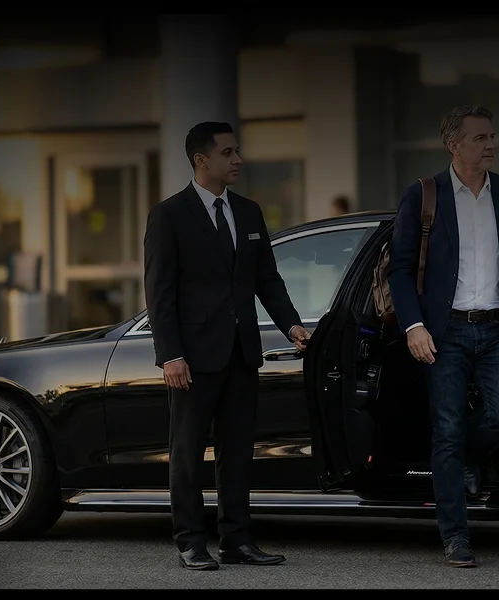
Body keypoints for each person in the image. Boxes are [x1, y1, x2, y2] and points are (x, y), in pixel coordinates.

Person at [143, 121, 311, 571]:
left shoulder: (249, 212)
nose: (238, 160)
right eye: (228, 152)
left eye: (237, 151)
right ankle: (190, 542)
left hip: (241, 352)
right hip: (193, 357)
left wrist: (292, 325)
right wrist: (171, 354)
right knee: (187, 453)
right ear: (201, 160)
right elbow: (159, 293)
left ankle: (236, 540)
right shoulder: (169, 215)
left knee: (236, 453)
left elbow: (267, 279)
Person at [386, 104, 499, 568]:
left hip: (497, 328)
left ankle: (467, 460)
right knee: (447, 432)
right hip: (443, 331)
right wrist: (413, 326)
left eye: (492, 136)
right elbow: (399, 268)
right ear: (453, 145)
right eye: (480, 138)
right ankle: (455, 536)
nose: (490, 145)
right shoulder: (423, 195)